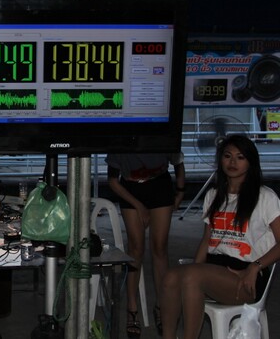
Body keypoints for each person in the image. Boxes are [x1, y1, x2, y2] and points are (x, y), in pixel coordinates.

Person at [160, 135, 280, 339]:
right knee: (171, 276)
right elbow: (207, 240)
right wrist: (195, 267)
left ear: (250, 162)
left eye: (240, 157)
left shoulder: (265, 196)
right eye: (227, 156)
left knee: (193, 276)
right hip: (214, 268)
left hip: (246, 274)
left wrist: (255, 267)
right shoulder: (213, 195)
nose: (232, 162)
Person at [105, 152, 185, 338]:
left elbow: (178, 163)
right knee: (135, 248)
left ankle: (162, 306)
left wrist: (181, 191)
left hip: (160, 187)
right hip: (130, 190)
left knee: (159, 248)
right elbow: (113, 181)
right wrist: (139, 206)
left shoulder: (162, 137)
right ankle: (132, 309)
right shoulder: (122, 140)